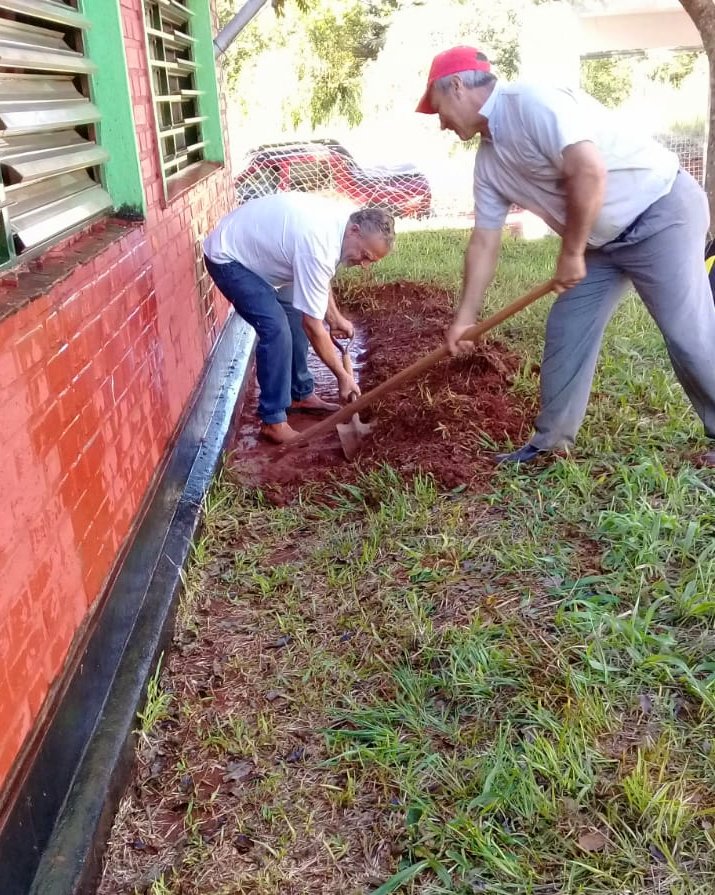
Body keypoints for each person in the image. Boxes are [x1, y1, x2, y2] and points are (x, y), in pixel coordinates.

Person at [417, 46, 715, 468]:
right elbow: (484, 241)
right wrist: (465, 319)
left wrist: (571, 252)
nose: (441, 122)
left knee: (688, 332)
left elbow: (589, 170)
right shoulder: (488, 163)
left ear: (458, 86)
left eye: (438, 107)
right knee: (566, 328)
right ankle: (549, 445)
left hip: (660, 211)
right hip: (600, 243)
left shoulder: (531, 103)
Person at [203, 193, 395, 443]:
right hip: (229, 258)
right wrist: (343, 376)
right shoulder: (319, 244)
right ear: (355, 231)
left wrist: (334, 317)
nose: (365, 264)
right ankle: (273, 420)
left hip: (261, 253)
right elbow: (313, 326)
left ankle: (299, 393)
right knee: (276, 329)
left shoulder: (343, 224)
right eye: (367, 255)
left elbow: (318, 279)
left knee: (294, 314)